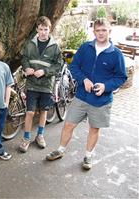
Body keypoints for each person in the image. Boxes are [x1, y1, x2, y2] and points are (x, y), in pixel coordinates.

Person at [46, 18, 127, 170]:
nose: (101, 33)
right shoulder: (85, 48)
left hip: (101, 101)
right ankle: (60, 150)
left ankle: (88, 156)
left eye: (104, 30)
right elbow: (74, 66)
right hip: (82, 97)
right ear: (94, 31)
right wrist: (84, 80)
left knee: (94, 129)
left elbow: (121, 77)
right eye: (98, 30)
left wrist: (106, 86)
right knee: (69, 124)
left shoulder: (116, 54)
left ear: (110, 31)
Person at [19, 16, 63, 152]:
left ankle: (40, 136)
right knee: (30, 112)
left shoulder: (55, 47)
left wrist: (45, 71)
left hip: (46, 85)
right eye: (41, 29)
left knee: (43, 111)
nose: (43, 32)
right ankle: (26, 138)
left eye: (46, 29)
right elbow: (24, 58)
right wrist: (26, 68)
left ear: (50, 29)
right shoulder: (30, 44)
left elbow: (58, 65)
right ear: (37, 29)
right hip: (32, 83)